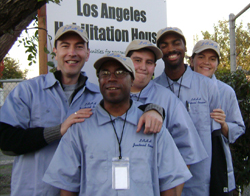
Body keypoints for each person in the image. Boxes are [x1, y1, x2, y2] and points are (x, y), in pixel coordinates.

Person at [0, 24, 164, 196]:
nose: (72, 52)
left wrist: (154, 109)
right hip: (34, 191)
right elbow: (6, 141)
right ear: (55, 51)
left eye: (79, 46)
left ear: (87, 54)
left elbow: (129, 108)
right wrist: (59, 130)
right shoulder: (28, 91)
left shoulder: (99, 96)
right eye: (65, 46)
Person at [43, 52, 192, 196]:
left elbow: (170, 183)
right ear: (99, 80)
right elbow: (67, 186)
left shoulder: (153, 126)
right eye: (105, 73)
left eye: (120, 73)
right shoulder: (80, 129)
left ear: (132, 79)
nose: (111, 78)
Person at [125, 39, 208, 195]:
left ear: (154, 67)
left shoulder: (168, 100)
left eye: (149, 62)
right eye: (137, 60)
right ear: (126, 63)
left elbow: (188, 151)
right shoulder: (112, 97)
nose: (143, 67)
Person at [154, 27, 221, 196]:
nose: (171, 49)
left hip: (199, 179)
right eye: (165, 45)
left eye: (176, 43)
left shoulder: (207, 86)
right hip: (163, 178)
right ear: (160, 52)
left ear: (185, 48)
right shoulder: (153, 89)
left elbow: (216, 134)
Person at [190, 39, 245, 195]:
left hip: (218, 168)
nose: (206, 62)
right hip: (189, 171)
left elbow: (239, 127)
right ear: (192, 61)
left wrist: (224, 125)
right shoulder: (181, 89)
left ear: (217, 64)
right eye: (201, 57)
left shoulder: (226, 92)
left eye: (212, 59)